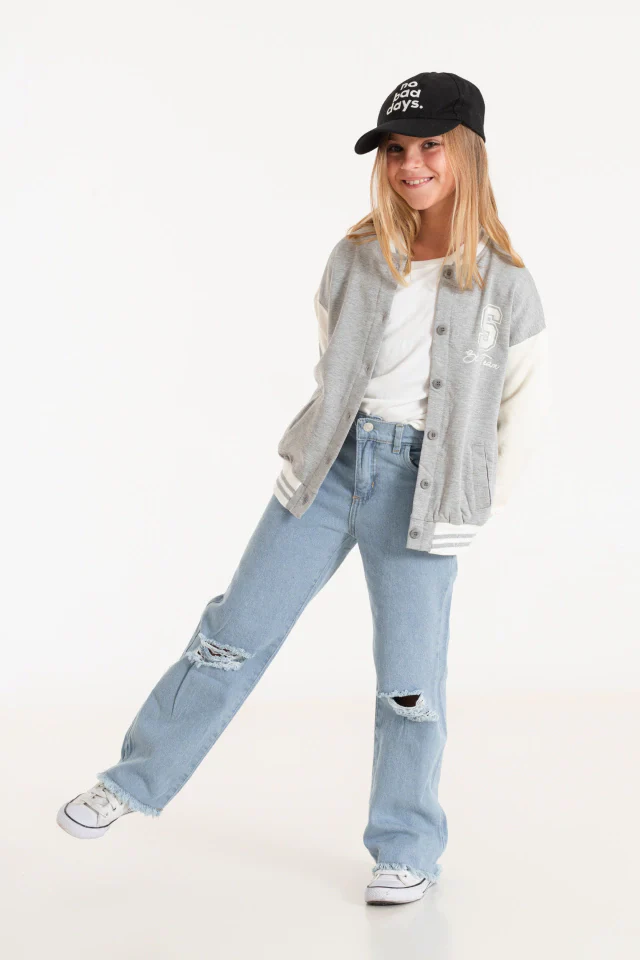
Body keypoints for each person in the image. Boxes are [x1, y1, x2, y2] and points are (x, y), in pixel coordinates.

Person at [56, 71, 551, 906]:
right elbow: (333, 362)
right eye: (395, 150)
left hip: (424, 494)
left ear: (466, 152)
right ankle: (132, 781)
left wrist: (476, 505)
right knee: (230, 635)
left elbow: (524, 409)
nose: (411, 164)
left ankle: (406, 847)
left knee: (410, 684)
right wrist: (319, 446)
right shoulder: (355, 257)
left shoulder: (507, 284)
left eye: (430, 146)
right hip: (328, 470)